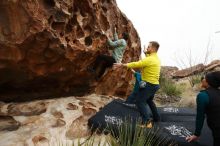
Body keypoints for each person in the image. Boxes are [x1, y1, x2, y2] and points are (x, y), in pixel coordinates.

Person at [113, 41, 161, 127]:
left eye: (149, 47)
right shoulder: (155, 58)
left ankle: (147, 122)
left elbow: (137, 64)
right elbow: (148, 59)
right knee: (149, 100)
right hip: (155, 85)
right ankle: (157, 118)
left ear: (153, 49)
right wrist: (146, 53)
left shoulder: (150, 59)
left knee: (140, 101)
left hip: (149, 85)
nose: (147, 48)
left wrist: (123, 65)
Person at [186, 71, 220, 146]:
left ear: (208, 82)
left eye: (204, 78)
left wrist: (196, 134)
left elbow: (200, 117)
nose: (202, 79)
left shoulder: (203, 96)